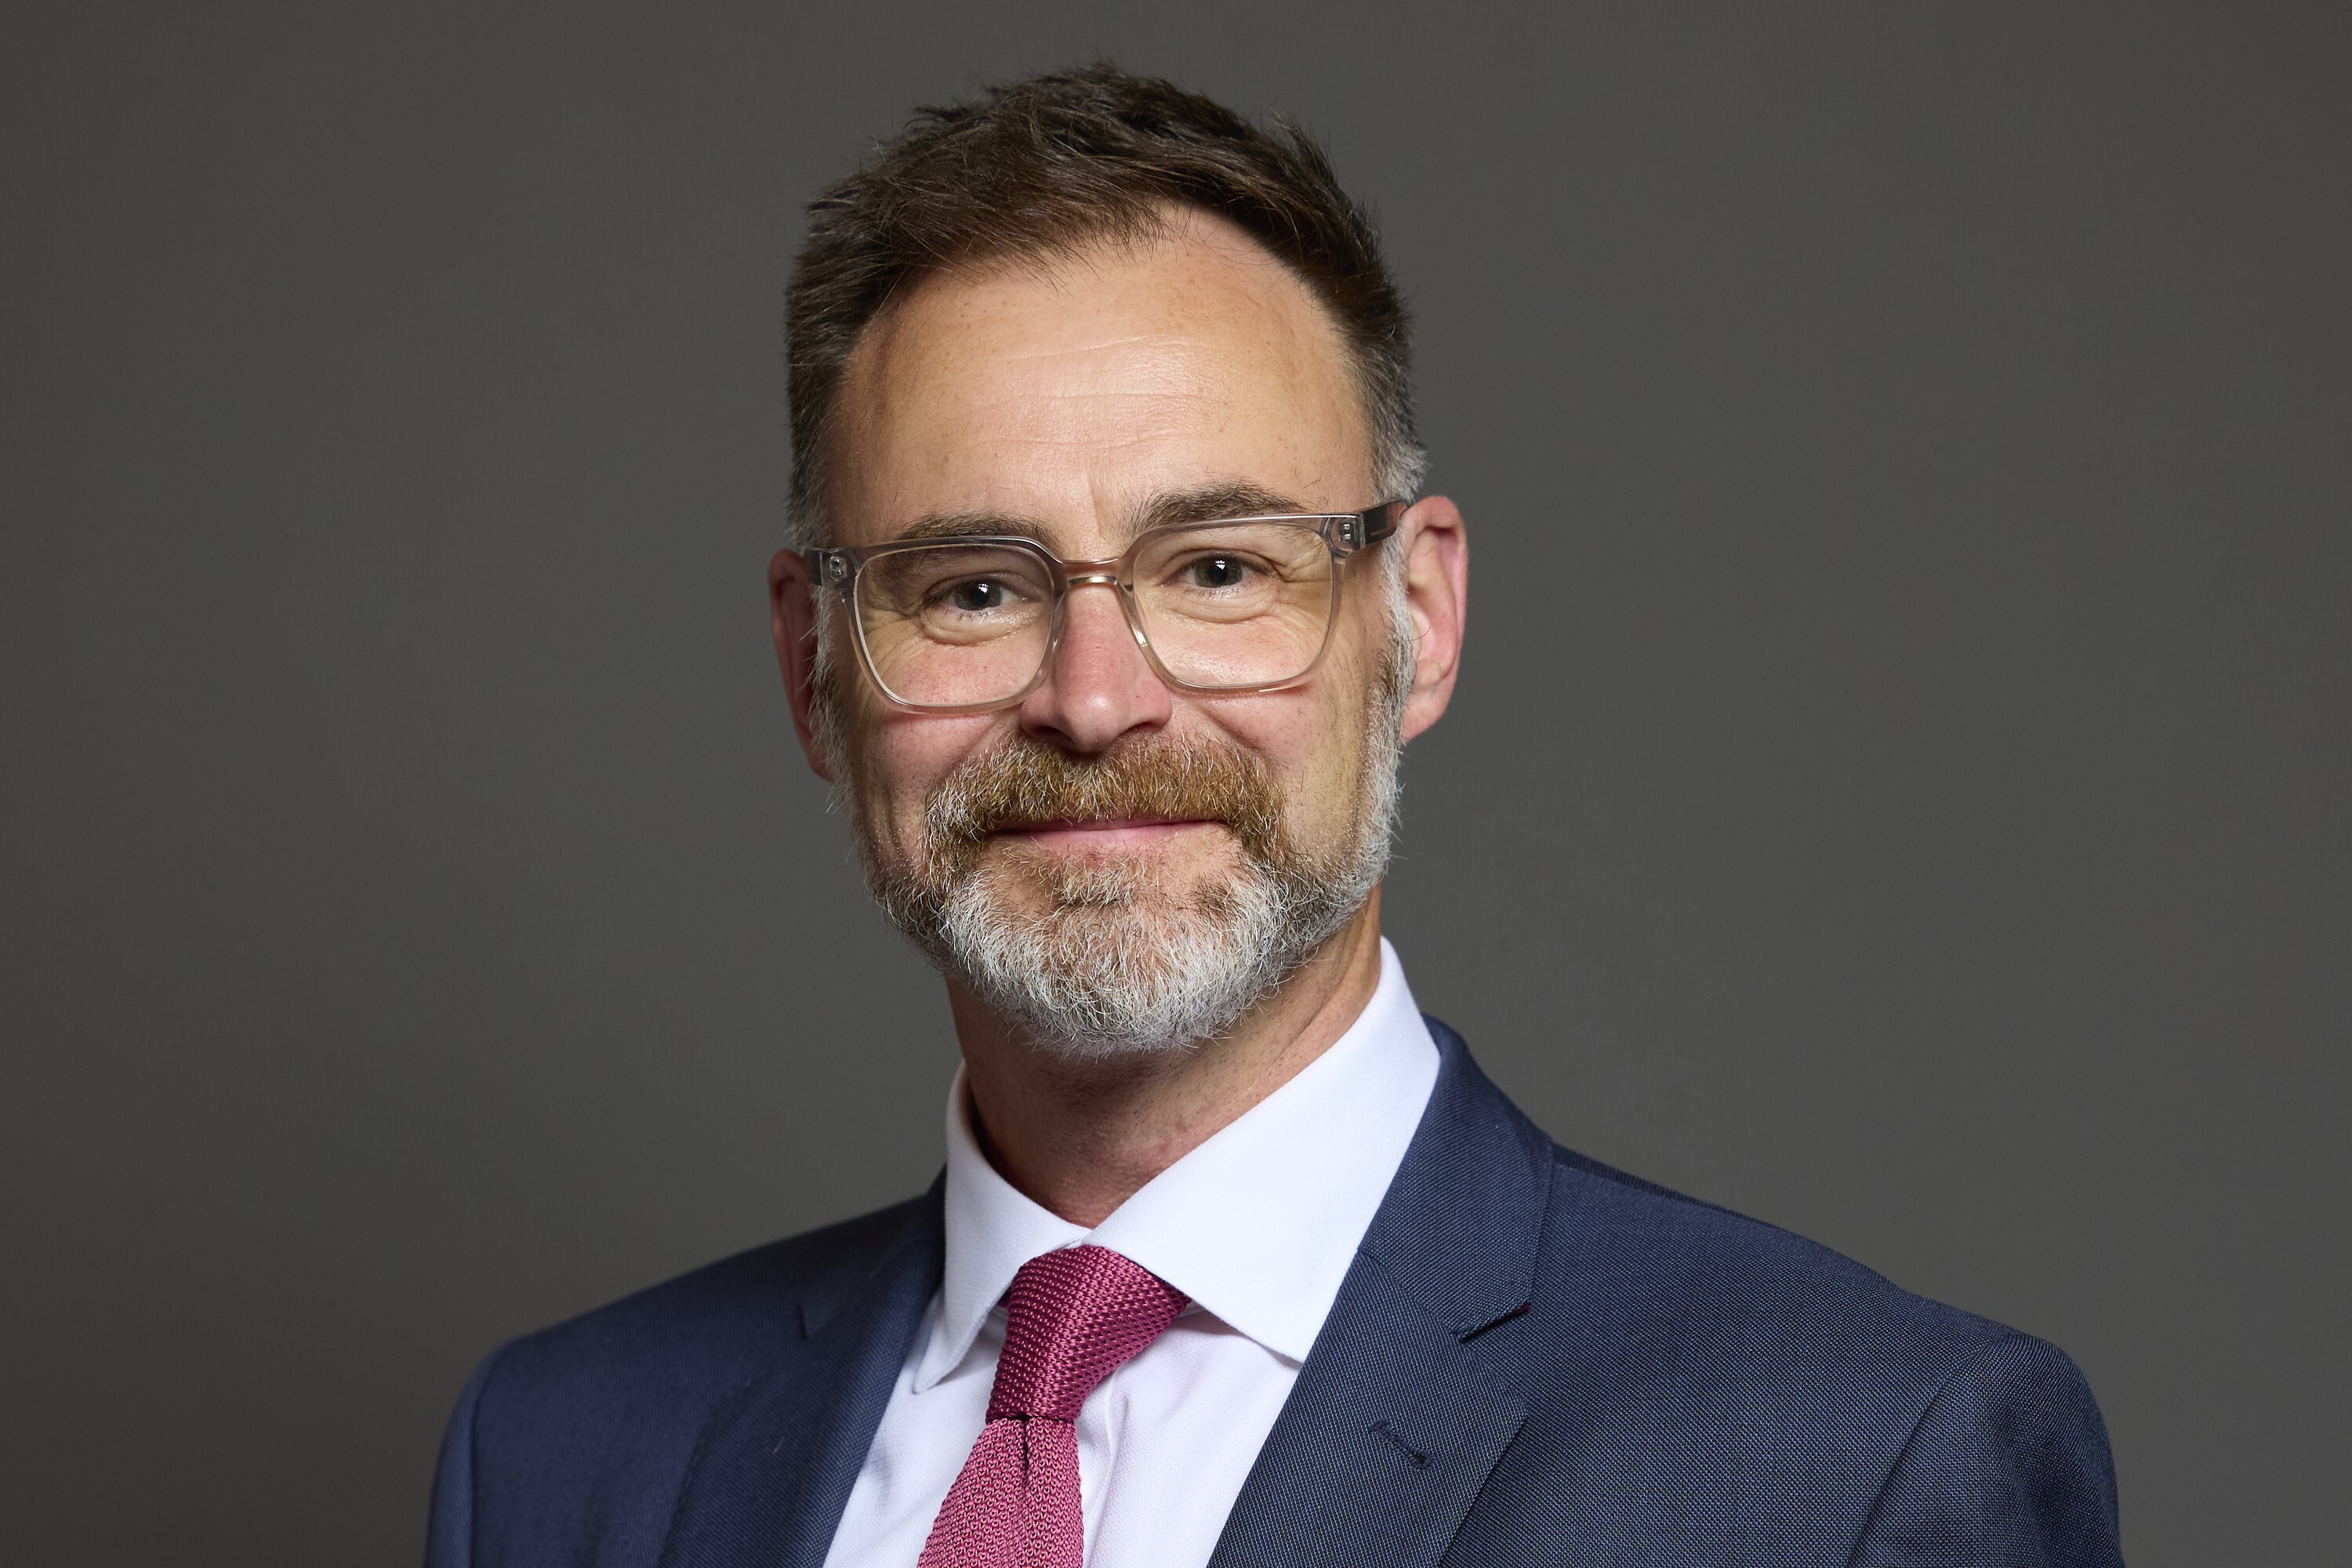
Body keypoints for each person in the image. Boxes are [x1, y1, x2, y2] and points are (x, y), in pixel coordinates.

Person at [425, 64, 2122, 1568]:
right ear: (814, 668)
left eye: (1222, 568)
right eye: (973, 588)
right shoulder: (564, 1459)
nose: (1097, 700)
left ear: (1416, 621)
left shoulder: (1852, 1470)